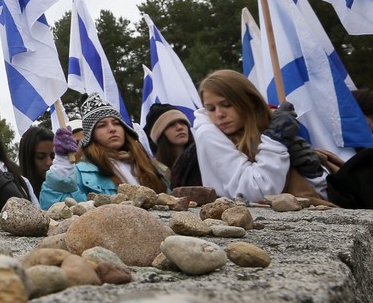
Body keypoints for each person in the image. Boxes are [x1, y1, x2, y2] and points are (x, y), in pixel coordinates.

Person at [191, 70, 330, 204]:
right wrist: (274, 142)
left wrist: (313, 174)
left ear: (250, 101)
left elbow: (319, 195)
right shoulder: (207, 133)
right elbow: (255, 192)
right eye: (211, 108)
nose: (219, 114)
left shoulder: (267, 129)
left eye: (226, 105)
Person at [40, 94, 169, 208]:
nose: (112, 129)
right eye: (102, 125)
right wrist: (62, 162)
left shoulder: (150, 166)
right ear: (91, 135)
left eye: (116, 123)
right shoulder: (80, 172)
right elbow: (54, 206)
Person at [144, 102, 195, 184]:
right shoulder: (155, 173)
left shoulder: (202, 159)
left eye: (182, 122)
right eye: (171, 125)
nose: (180, 127)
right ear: (159, 134)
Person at [17, 126, 55, 199]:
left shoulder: (66, 188)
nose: (49, 162)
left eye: (53, 157)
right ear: (27, 159)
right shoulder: (18, 193)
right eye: (41, 157)